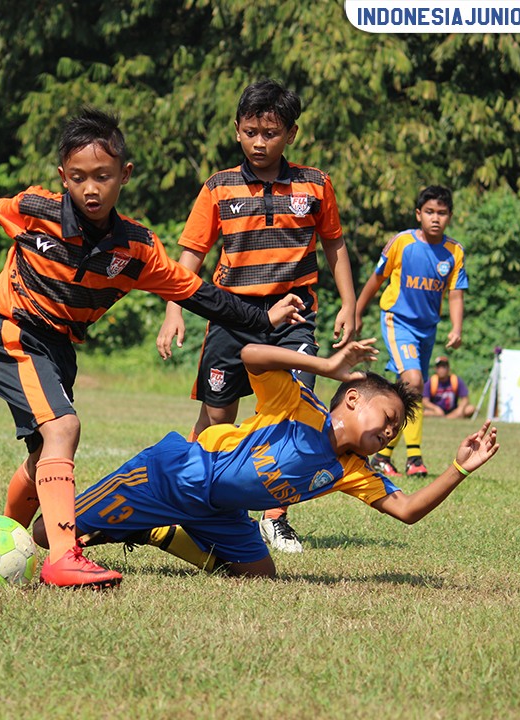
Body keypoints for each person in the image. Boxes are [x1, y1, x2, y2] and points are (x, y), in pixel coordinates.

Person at [0, 107, 306, 589]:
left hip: (59, 349)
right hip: (15, 332)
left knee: (41, 458)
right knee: (64, 428)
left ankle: (15, 541)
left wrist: (262, 318)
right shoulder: (37, 209)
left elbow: (201, 295)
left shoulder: (136, 250)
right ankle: (63, 558)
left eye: (103, 176)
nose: (90, 188)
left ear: (124, 175)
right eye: (77, 177)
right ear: (62, 177)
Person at [31, 339, 500, 578]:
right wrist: (324, 366)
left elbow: (408, 510)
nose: (392, 431)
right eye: (390, 417)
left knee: (259, 576)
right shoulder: (298, 406)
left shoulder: (351, 470)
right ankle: (136, 523)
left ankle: (161, 532)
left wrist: (459, 467)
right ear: (353, 398)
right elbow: (251, 355)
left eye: (397, 430)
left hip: (222, 513)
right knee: (43, 534)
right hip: (173, 475)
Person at [156, 79, 357, 555]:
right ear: (237, 131)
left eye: (270, 133)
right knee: (217, 416)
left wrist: (349, 303)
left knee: (295, 408)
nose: (259, 143)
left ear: (291, 133)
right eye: (250, 132)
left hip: (292, 316)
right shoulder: (218, 187)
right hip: (230, 315)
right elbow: (191, 255)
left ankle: (275, 515)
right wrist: (173, 310)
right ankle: (182, 493)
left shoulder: (315, 184)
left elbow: (335, 244)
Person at [354, 186, 468, 478]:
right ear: (419, 214)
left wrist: (456, 327)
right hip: (397, 321)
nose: (435, 218)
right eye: (430, 212)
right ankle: (415, 458)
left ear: (450, 217)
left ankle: (382, 455)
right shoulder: (402, 243)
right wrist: (356, 311)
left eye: (442, 213)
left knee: (405, 390)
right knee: (414, 381)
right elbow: (376, 279)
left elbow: (456, 294)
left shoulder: (454, 252)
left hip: (427, 329)